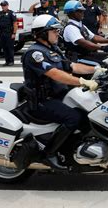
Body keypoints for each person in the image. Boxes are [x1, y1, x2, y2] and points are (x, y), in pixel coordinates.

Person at [22, 14, 100, 169]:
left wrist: (98, 69)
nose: (58, 33)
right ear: (43, 33)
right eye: (54, 31)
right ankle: (48, 154)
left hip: (58, 96)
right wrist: (81, 81)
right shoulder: (34, 54)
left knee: (87, 113)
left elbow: (71, 66)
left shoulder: (52, 49)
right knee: (73, 118)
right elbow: (54, 73)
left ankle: (78, 151)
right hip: (41, 101)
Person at [0, 0, 18, 66]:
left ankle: (11, 61)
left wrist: (14, 33)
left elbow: (15, 24)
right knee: (4, 48)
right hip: (2, 33)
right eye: (2, 6)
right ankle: (7, 61)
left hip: (9, 33)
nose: (3, 7)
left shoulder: (11, 13)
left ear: (7, 5)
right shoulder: (0, 13)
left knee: (10, 48)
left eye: (4, 5)